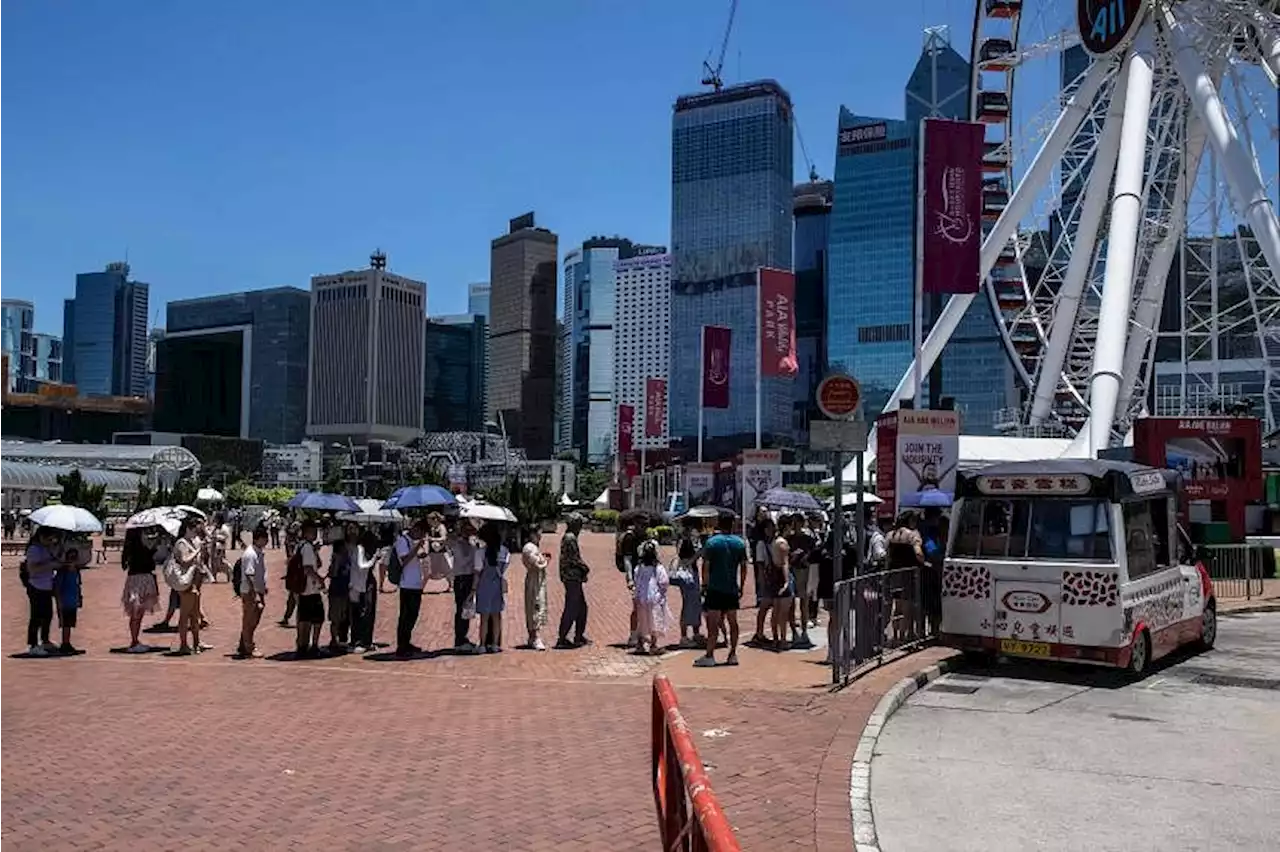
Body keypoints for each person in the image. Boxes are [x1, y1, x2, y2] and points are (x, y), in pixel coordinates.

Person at [694, 513, 748, 667]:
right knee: (733, 622)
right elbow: (744, 567)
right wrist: (741, 586)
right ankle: (733, 654)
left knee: (713, 623)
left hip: (715, 588)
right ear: (732, 524)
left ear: (719, 523)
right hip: (731, 588)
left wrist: (704, 585)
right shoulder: (739, 543)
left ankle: (710, 655)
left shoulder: (712, 543)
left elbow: (706, 566)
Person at [171, 516, 209, 655]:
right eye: (195, 530)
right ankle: (183, 644)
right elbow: (185, 560)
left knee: (194, 615)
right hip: (186, 583)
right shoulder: (182, 543)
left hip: (195, 582)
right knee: (185, 615)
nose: (197, 534)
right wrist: (197, 551)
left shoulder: (194, 542)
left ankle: (197, 642)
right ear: (189, 529)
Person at [886, 512, 925, 644]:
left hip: (894, 574)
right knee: (907, 607)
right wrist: (923, 562)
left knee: (897, 607)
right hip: (909, 574)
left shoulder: (891, 535)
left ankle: (895, 635)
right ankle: (904, 636)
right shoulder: (913, 535)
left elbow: (887, 556)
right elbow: (918, 552)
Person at [394, 518, 429, 657]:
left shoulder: (414, 542)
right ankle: (401, 645)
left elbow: (418, 557)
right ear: (415, 529)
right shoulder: (402, 541)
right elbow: (404, 560)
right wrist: (417, 546)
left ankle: (407, 641)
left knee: (413, 615)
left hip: (416, 583)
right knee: (405, 616)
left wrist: (421, 550)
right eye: (421, 533)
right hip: (406, 584)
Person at [121, 528, 160, 652]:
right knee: (137, 612)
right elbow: (149, 557)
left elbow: (124, 564)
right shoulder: (139, 546)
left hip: (135, 578)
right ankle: (134, 641)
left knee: (137, 612)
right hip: (142, 578)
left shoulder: (130, 546)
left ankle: (135, 639)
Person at [21, 530, 60, 656]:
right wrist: (50, 565)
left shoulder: (46, 548)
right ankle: (33, 644)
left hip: (47, 586)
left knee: (47, 615)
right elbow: (33, 569)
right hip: (36, 586)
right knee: (36, 616)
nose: (51, 541)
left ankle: (45, 640)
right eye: (49, 539)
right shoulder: (34, 550)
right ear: (42, 537)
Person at [556, 513, 591, 648]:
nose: (581, 527)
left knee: (582, 607)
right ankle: (562, 637)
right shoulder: (570, 538)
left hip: (574, 576)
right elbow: (573, 559)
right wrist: (585, 568)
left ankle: (578, 636)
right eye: (580, 524)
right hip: (571, 578)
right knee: (572, 607)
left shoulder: (571, 537)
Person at [475, 523, 510, 653]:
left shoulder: (480, 552)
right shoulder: (504, 551)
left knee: (484, 618)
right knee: (496, 616)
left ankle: (482, 645)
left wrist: (473, 589)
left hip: (484, 586)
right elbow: (505, 567)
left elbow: (477, 571)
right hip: (497, 585)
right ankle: (495, 644)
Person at [632, 539, 671, 656]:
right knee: (654, 620)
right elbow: (664, 582)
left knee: (642, 619)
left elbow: (636, 581)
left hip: (641, 597)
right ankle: (653, 645)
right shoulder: (658, 568)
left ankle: (640, 644)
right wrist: (662, 593)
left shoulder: (639, 568)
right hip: (654, 597)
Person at [236, 526, 269, 658]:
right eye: (264, 539)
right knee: (249, 620)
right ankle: (249, 647)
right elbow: (250, 575)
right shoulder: (251, 554)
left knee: (254, 619)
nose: (266, 542)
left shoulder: (258, 552)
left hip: (257, 591)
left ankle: (243, 643)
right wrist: (255, 594)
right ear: (257, 539)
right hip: (250, 592)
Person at [294, 519, 325, 657]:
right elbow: (308, 569)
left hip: (304, 589)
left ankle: (302, 644)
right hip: (310, 588)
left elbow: (318, 563)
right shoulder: (306, 547)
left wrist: (316, 551)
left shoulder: (304, 546)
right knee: (317, 618)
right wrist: (320, 580)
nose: (315, 534)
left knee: (304, 617)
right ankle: (312, 645)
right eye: (313, 531)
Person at [450, 520, 480, 651]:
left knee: (467, 608)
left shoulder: (471, 543)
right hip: (462, 578)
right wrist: (474, 553)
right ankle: (459, 639)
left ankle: (464, 636)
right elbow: (463, 561)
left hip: (469, 578)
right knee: (461, 608)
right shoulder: (458, 544)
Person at [669, 534, 704, 649]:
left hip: (690, 587)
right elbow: (699, 553)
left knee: (694, 608)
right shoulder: (685, 560)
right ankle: (685, 637)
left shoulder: (685, 560)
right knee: (690, 608)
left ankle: (695, 633)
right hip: (690, 587)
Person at [350, 529, 380, 653]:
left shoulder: (362, 549)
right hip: (362, 584)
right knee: (363, 612)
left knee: (367, 612)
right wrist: (374, 558)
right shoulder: (360, 549)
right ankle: (359, 641)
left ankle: (366, 640)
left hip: (365, 582)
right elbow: (362, 566)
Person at [521, 526, 550, 651]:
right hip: (533, 581)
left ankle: (533, 636)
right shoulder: (528, 547)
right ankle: (534, 637)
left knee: (538, 605)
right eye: (538, 534)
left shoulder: (534, 547)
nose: (540, 536)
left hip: (538, 580)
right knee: (534, 606)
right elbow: (537, 563)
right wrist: (545, 560)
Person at [53, 547, 83, 654]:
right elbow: (57, 588)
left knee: (70, 623)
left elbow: (78, 585)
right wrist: (58, 601)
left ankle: (67, 642)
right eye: (71, 557)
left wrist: (79, 597)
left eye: (75, 557)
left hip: (72, 601)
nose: (73, 560)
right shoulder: (63, 572)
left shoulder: (76, 571)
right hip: (64, 601)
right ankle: (65, 643)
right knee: (65, 623)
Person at [327, 536, 352, 652]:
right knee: (335, 618)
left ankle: (341, 639)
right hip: (336, 591)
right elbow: (333, 573)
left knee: (343, 616)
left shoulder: (347, 559)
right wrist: (336, 561)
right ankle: (333, 640)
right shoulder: (337, 558)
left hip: (346, 591)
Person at [617, 522, 640, 646]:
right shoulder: (629, 538)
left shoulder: (640, 536)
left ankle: (640, 634)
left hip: (643, 575)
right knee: (636, 606)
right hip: (635, 577)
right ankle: (633, 635)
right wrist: (630, 578)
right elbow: (627, 559)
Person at [425, 511, 452, 590]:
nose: (428, 521)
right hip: (433, 552)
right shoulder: (431, 528)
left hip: (441, 552)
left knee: (447, 570)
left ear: (435, 519)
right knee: (428, 570)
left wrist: (432, 539)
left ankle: (451, 586)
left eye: (430, 519)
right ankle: (421, 586)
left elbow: (444, 538)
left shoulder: (441, 527)